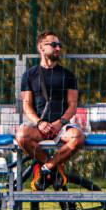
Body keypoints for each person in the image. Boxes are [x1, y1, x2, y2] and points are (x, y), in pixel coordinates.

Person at [15, 30, 86, 190]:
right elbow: (26, 106)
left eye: (59, 45)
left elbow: (72, 106)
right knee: (21, 136)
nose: (58, 48)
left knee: (78, 137)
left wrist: (60, 123)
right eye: (53, 44)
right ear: (41, 47)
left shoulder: (68, 75)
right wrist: (39, 123)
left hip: (61, 127)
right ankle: (52, 165)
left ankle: (48, 166)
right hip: (38, 127)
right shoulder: (29, 75)